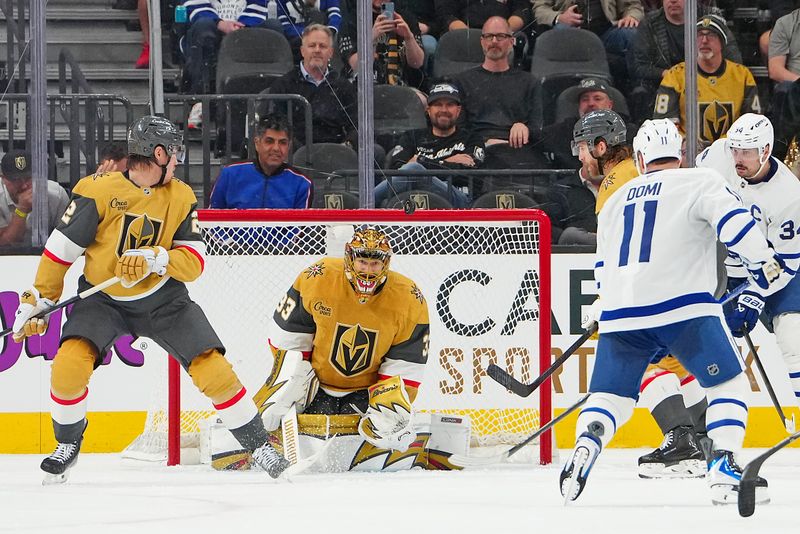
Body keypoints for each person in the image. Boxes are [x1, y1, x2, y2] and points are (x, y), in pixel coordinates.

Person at [11, 116, 290, 483]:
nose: (177, 161)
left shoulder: (181, 196)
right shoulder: (95, 192)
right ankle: (68, 444)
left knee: (214, 371)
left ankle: (260, 447)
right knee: (67, 369)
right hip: (103, 299)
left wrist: (157, 258)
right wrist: (40, 301)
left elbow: (194, 263)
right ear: (157, 154)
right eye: (172, 154)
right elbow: (59, 253)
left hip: (164, 300)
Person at [561, 118, 782, 506]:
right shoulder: (699, 180)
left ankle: (587, 443)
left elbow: (603, 265)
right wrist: (763, 260)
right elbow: (734, 225)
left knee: (610, 397)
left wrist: (602, 305)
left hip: (622, 312)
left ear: (642, 157)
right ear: (680, 155)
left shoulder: (616, 200)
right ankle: (723, 466)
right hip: (683, 307)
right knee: (727, 385)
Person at [261, 227, 429, 453]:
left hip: (365, 393)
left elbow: (406, 368)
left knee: (393, 405)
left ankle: (382, 439)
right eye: (363, 262)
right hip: (314, 387)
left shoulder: (409, 297)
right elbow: (286, 340)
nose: (368, 271)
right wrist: (294, 380)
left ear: (386, 263)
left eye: (375, 264)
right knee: (287, 377)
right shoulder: (318, 277)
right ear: (349, 258)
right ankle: (258, 436)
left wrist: (387, 410)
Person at [697, 113, 800, 410]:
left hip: (778, 270)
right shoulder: (719, 154)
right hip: (729, 267)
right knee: (712, 343)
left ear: (766, 151)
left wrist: (755, 295)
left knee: (793, 337)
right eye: (735, 149)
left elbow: (787, 262)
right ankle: (709, 421)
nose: (738, 158)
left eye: (747, 152)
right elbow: (691, 189)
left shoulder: (789, 195)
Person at [454, 16, 547, 181]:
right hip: (477, 152)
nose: (494, 41)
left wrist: (524, 127)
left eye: (500, 36)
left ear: (511, 42)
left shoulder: (529, 82)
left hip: (517, 153)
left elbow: (537, 128)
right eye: (489, 36)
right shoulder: (462, 81)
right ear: (482, 41)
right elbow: (459, 128)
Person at [653, 15, 761, 147]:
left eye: (711, 35)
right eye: (699, 35)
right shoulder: (676, 75)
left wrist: (723, 145)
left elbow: (752, 125)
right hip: (687, 153)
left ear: (722, 42)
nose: (704, 40)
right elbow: (664, 126)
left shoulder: (742, 76)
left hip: (731, 151)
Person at [627, 0, 741, 123]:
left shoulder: (711, 19)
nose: (673, 1)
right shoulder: (650, 23)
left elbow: (734, 61)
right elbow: (638, 67)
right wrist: (669, 74)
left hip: (708, 84)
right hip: (662, 88)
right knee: (641, 93)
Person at [376, 81, 480, 208]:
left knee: (414, 169)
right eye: (438, 104)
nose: (444, 110)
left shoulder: (472, 138)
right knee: (412, 170)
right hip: (413, 197)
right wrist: (445, 163)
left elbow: (468, 172)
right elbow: (397, 169)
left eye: (450, 105)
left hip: (457, 199)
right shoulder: (412, 136)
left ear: (458, 111)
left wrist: (420, 162)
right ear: (428, 110)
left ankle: (365, 203)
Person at [182, 0, 283, 130]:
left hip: (249, 29)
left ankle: (270, 103)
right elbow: (192, 4)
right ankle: (201, 101)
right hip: (211, 30)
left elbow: (262, 3)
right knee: (203, 25)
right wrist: (219, 23)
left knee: (273, 26)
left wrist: (244, 26)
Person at [265, 24, 357, 147]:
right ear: (302, 51)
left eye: (323, 46)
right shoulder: (283, 85)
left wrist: (348, 144)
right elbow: (275, 126)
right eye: (312, 45)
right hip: (295, 152)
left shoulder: (343, 86)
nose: (317, 50)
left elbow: (355, 124)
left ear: (331, 53)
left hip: (336, 151)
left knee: (376, 152)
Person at [532, 0, 644, 88]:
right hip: (572, 31)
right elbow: (540, 9)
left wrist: (631, 17)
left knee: (630, 33)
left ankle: (639, 87)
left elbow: (632, 6)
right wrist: (559, 17)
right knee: (561, 30)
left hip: (607, 33)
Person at [210, 114, 312, 209]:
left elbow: (302, 227)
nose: (276, 148)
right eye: (269, 141)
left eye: (282, 143)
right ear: (257, 143)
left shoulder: (302, 183)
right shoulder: (230, 174)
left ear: (289, 146)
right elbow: (210, 222)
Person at [339, 0, 425, 87]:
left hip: (401, 87)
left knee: (421, 98)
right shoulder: (353, 20)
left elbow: (417, 63)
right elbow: (356, 66)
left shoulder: (405, 18)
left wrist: (408, 37)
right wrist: (371, 38)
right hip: (363, 88)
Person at [0, 150, 70, 247]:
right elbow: (4, 244)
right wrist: (22, 210)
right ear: (3, 179)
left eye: (29, 178)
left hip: (46, 257)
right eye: (16, 180)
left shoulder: (57, 194)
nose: (24, 186)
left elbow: (67, 238)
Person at [275, 0, 342, 63]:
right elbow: (285, 25)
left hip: (322, 34)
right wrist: (308, 33)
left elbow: (335, 15)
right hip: (296, 37)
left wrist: (329, 30)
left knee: (317, 16)